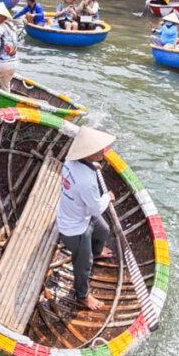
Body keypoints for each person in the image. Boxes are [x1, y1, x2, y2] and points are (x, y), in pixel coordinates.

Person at [57, 125, 117, 311]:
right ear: (88, 153)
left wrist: (92, 166)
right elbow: (97, 208)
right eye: (98, 150)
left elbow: (80, 172)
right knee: (84, 264)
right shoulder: (86, 182)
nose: (103, 151)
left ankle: (97, 250)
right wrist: (108, 196)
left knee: (104, 230)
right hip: (74, 229)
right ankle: (82, 295)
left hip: (78, 215)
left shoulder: (70, 161)